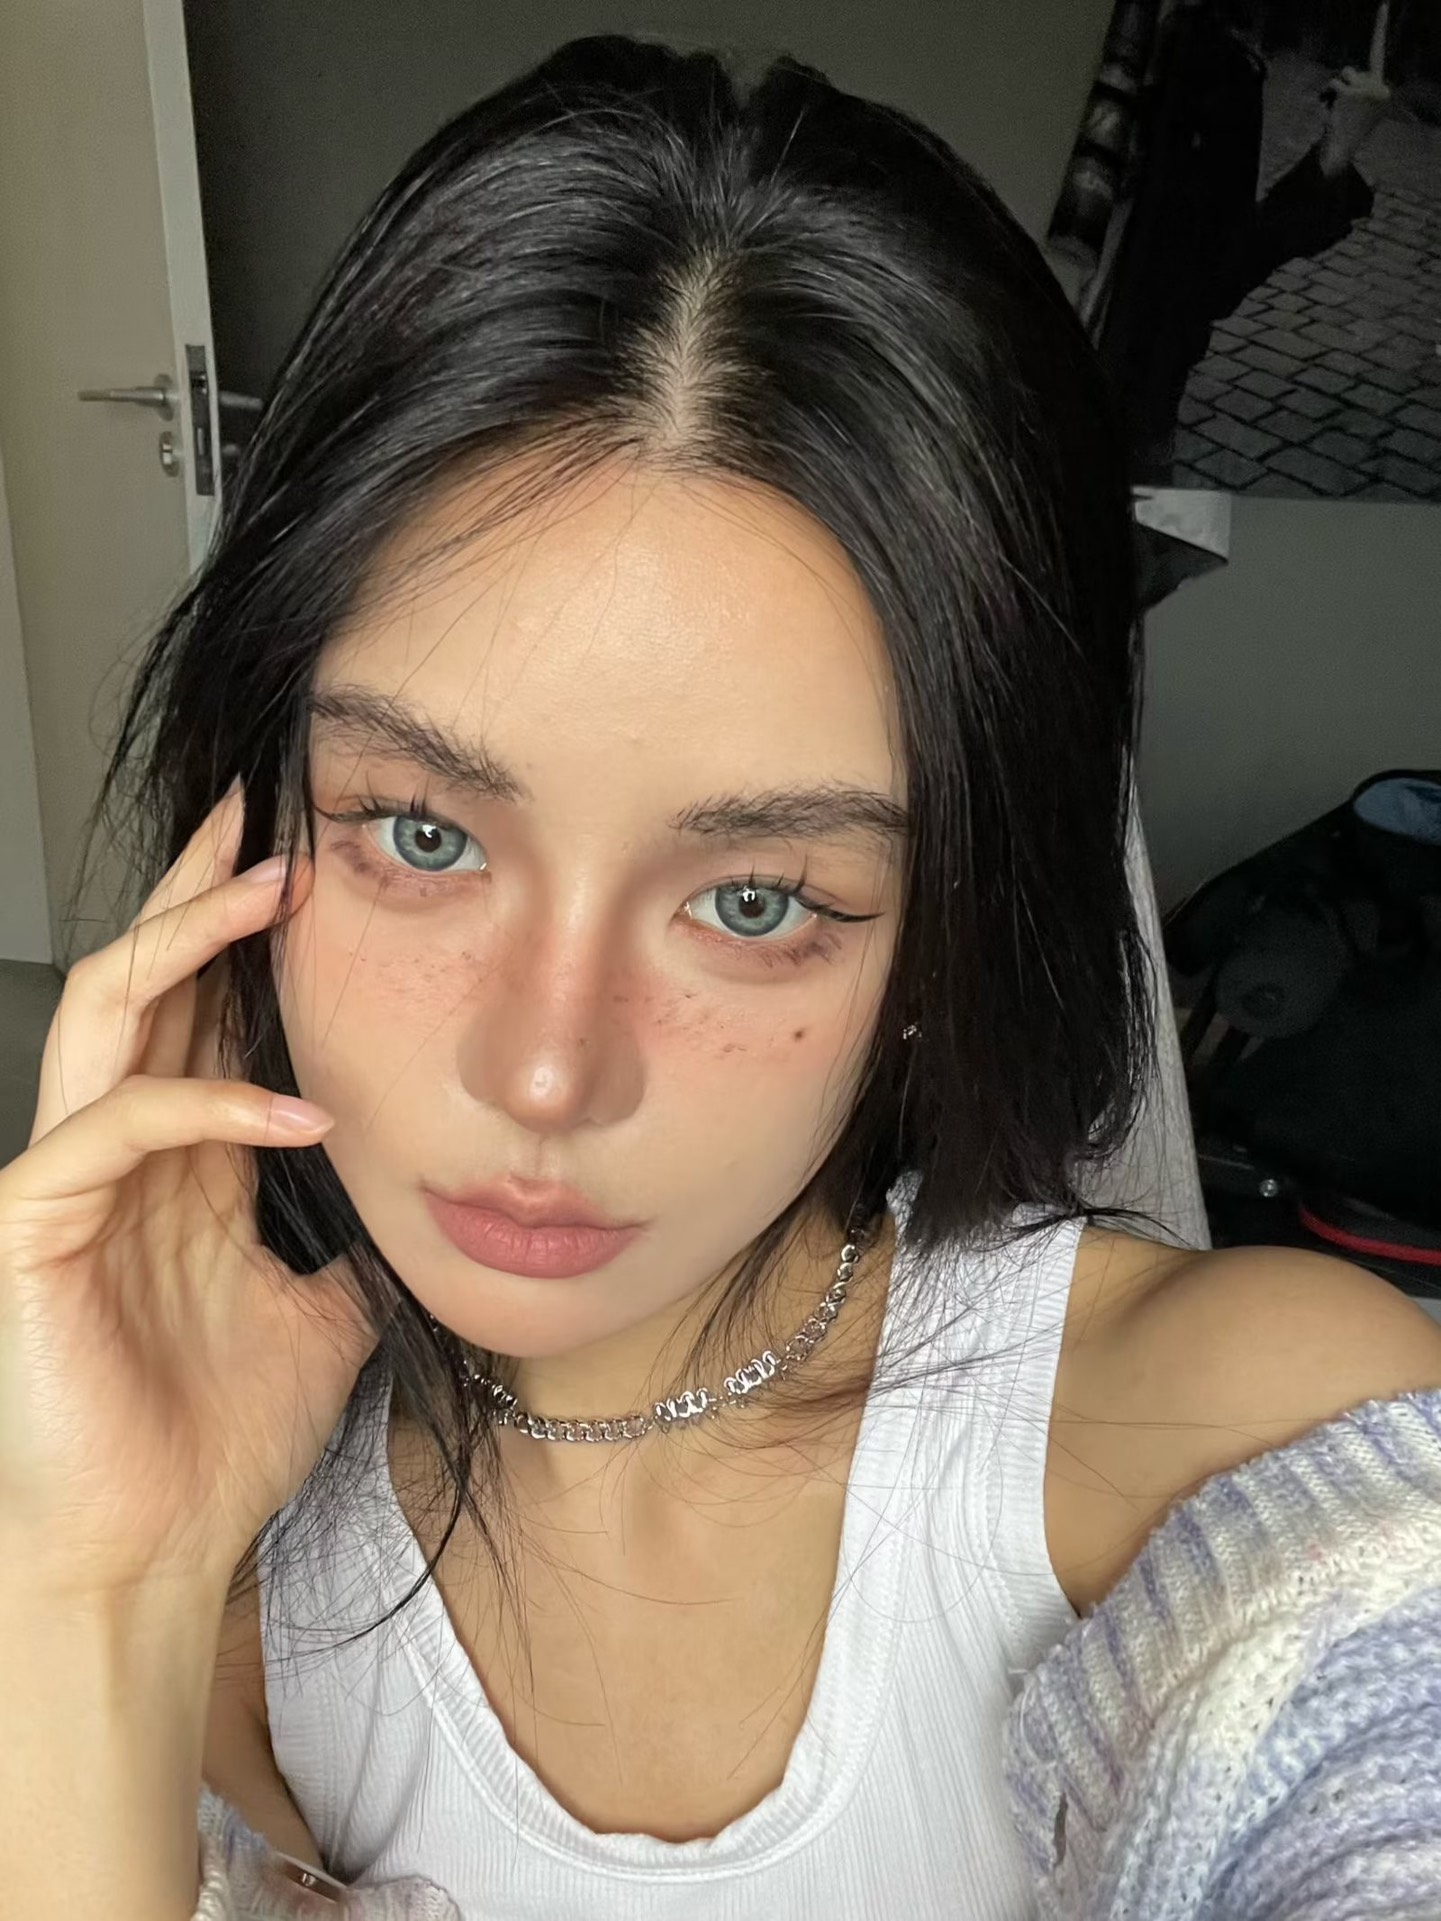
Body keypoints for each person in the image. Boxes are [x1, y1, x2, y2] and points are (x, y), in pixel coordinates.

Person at [2, 35, 1439, 1921]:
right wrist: (96, 1582)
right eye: (422, 831)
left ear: (937, 930)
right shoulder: (191, 1565)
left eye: (754, 898)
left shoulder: (1225, 1441)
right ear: (256, 825)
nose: (544, 1072)